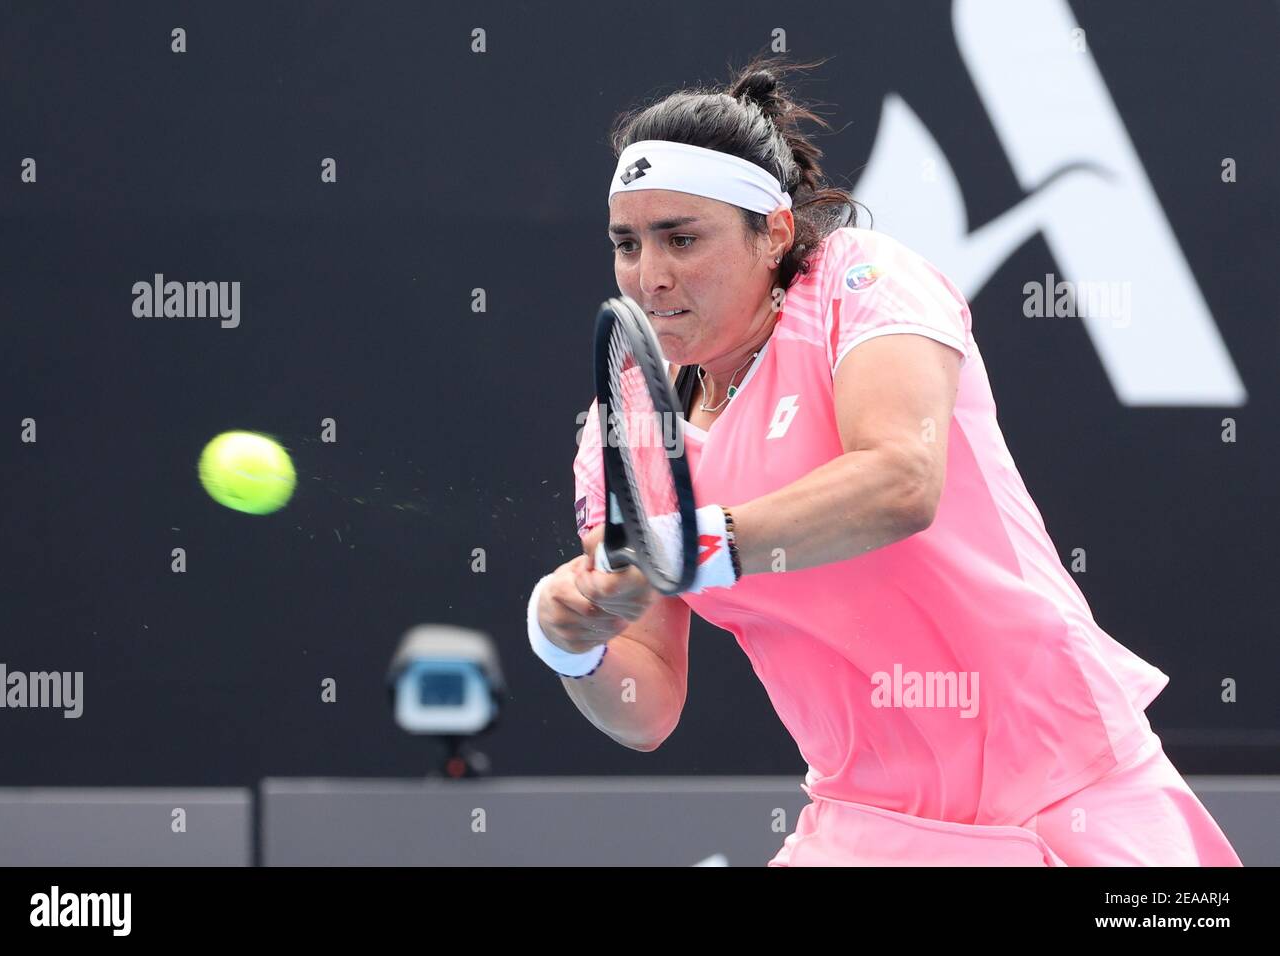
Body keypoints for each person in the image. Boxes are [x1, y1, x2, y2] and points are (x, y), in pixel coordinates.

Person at [525, 55, 1242, 866]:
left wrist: (694, 545)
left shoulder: (861, 281)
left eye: (682, 238)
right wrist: (571, 640)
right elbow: (647, 704)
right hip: (867, 826)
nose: (649, 277)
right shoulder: (626, 428)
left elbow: (900, 479)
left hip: (1070, 792)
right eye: (628, 243)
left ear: (775, 233)